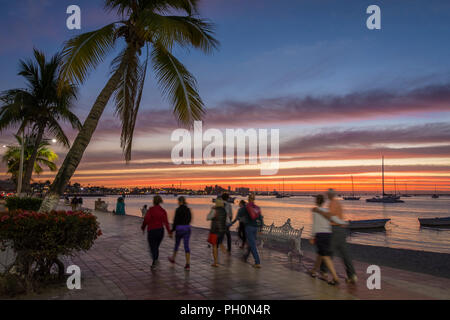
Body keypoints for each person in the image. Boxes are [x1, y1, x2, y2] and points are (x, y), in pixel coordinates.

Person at [314, 189, 358, 284]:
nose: (326, 196)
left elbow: (331, 215)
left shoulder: (332, 203)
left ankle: (324, 271)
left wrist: (319, 212)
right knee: (344, 253)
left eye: (327, 195)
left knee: (328, 251)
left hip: (335, 230)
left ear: (330, 195)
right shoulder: (337, 203)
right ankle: (352, 275)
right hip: (341, 230)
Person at [309, 194, 345, 285]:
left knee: (325, 256)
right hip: (328, 235)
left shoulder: (315, 211)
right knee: (320, 254)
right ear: (324, 202)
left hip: (320, 235)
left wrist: (312, 236)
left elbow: (314, 224)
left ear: (316, 201)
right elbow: (334, 218)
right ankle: (313, 271)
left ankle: (336, 278)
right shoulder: (327, 211)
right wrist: (343, 222)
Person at [141, 196, 172, 269]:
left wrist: (143, 227)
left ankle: (155, 260)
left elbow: (146, 219)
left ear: (153, 201)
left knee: (153, 247)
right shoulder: (163, 210)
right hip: (160, 231)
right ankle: (155, 262)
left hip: (152, 231)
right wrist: (169, 232)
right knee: (156, 247)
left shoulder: (151, 210)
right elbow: (166, 222)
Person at [168, 196, 192, 270]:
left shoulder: (178, 210)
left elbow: (175, 221)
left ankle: (173, 258)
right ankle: (187, 264)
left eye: (178, 201)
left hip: (179, 229)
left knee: (177, 244)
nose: (177, 202)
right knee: (186, 246)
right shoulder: (188, 210)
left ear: (180, 201)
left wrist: (172, 231)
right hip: (187, 228)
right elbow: (190, 219)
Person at [243, 194, 263, 268]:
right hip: (255, 228)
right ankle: (246, 256)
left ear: (248, 199)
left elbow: (241, 215)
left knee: (252, 245)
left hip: (249, 227)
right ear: (254, 199)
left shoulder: (247, 207)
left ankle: (257, 262)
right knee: (251, 243)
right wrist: (260, 228)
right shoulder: (257, 208)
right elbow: (261, 219)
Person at [207, 198, 227, 267]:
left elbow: (208, 217)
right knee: (219, 243)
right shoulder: (224, 210)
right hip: (222, 231)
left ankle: (215, 263)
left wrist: (212, 210)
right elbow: (227, 221)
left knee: (214, 246)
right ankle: (223, 248)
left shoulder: (214, 210)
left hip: (215, 230)